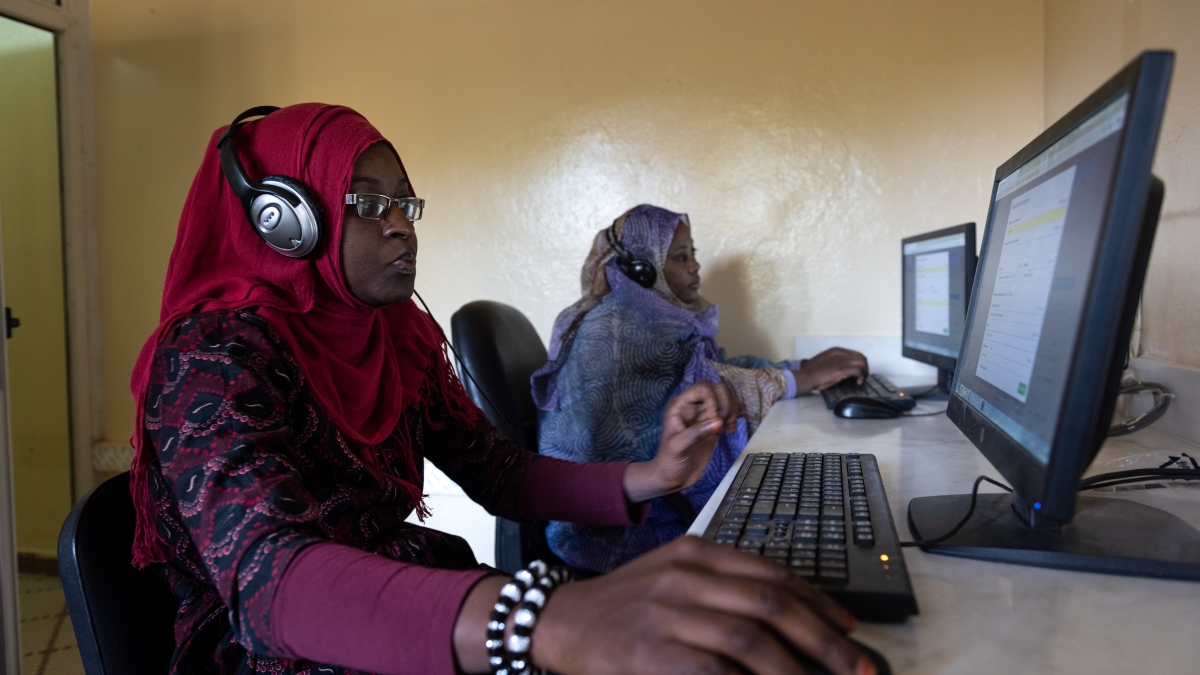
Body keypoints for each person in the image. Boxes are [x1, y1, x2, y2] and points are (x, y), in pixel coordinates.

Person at [128, 104, 875, 675]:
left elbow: (501, 472)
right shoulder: (211, 357)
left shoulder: (396, 338)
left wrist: (653, 475)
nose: (400, 227)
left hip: (423, 604)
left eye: (406, 203)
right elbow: (270, 580)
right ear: (285, 222)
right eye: (366, 203)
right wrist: (543, 619)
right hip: (281, 646)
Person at [532, 205, 868, 572]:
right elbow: (709, 387)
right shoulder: (616, 328)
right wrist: (798, 380)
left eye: (693, 254)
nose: (695, 266)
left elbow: (713, 367)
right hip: (612, 531)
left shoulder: (656, 315)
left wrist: (799, 368)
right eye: (680, 257)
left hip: (644, 503)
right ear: (643, 269)